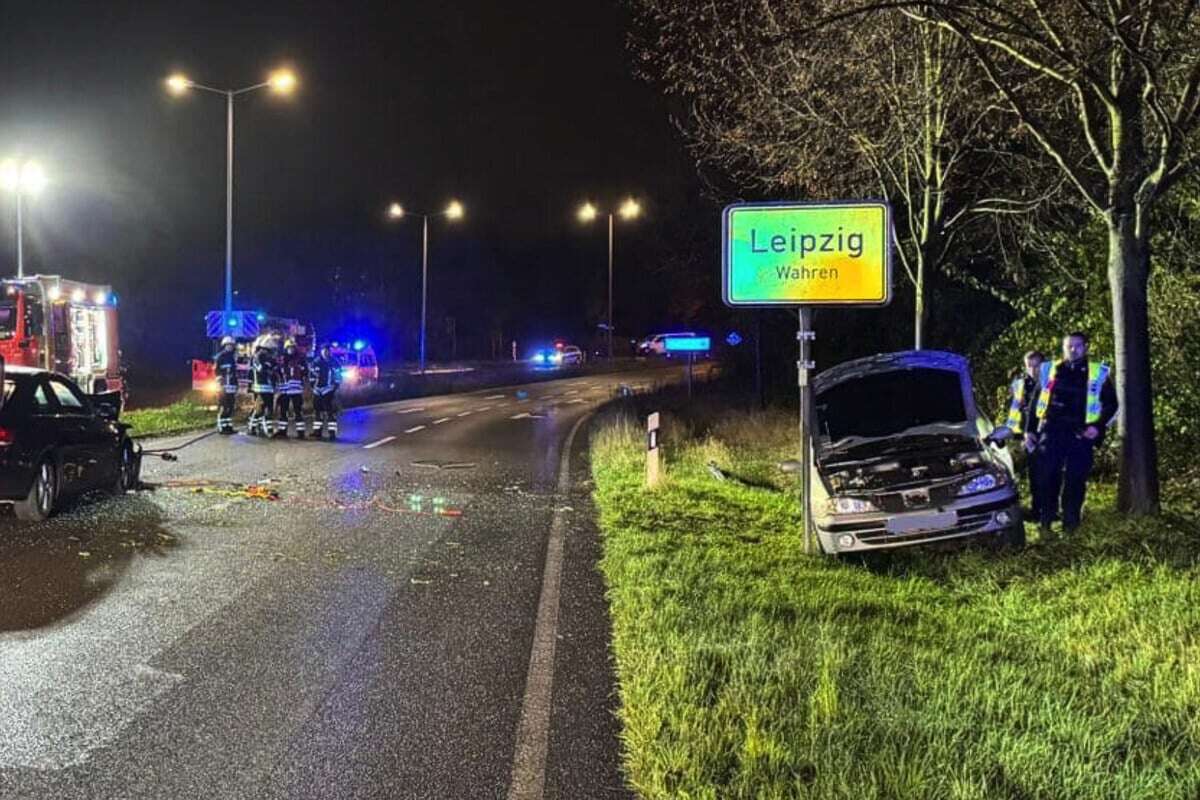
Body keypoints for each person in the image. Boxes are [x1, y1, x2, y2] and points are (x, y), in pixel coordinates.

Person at [1027, 331, 1118, 534]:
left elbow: (1111, 404)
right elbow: (1035, 402)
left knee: (1075, 479)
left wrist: (1098, 426)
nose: (1072, 350)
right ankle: (1046, 520)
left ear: (1086, 347)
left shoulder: (1097, 372)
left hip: (1081, 433)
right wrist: (1030, 430)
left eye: (1077, 346)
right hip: (1052, 430)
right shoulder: (1050, 370)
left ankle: (1070, 524)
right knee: (1048, 476)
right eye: (1069, 346)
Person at [993, 350, 1046, 519]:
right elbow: (1015, 413)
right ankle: (1038, 511)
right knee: (1035, 475)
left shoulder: (1051, 383)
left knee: (1052, 474)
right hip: (1029, 436)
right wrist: (1018, 435)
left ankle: (1050, 510)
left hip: (1051, 434)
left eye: (1036, 365)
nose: (1033, 369)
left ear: (1043, 365)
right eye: (1029, 366)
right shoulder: (1020, 385)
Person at [275, 338, 308, 439]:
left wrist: (303, 381)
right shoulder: (281, 360)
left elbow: (305, 372)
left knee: (298, 411)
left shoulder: (300, 360)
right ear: (286, 349)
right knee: (283, 411)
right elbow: (277, 373)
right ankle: (282, 431)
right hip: (284, 390)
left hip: (296, 390)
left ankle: (301, 432)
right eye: (289, 348)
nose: (291, 350)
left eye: (292, 348)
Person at [309, 343, 342, 439]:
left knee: (330, 412)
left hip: (328, 390)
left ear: (329, 351)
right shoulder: (316, 362)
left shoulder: (334, 362)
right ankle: (317, 432)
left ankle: (332, 433)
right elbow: (311, 375)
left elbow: (338, 376)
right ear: (321, 351)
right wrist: (312, 386)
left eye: (327, 350)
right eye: (324, 350)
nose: (325, 352)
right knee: (317, 411)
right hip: (317, 390)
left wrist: (335, 386)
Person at [247, 339, 279, 437]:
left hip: (269, 387)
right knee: (260, 409)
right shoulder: (258, 356)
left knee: (268, 408)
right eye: (272, 350)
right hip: (260, 387)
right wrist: (270, 370)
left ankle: (263, 428)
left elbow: (275, 371)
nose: (273, 352)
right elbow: (261, 369)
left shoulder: (271, 359)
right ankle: (253, 428)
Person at [214, 336, 239, 435]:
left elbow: (234, 372)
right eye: (228, 345)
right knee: (223, 406)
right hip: (223, 386)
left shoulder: (232, 357)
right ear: (224, 345)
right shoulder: (220, 357)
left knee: (230, 406)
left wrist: (236, 384)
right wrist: (220, 384)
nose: (230, 347)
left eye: (232, 345)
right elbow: (216, 371)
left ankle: (228, 426)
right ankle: (221, 427)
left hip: (231, 385)